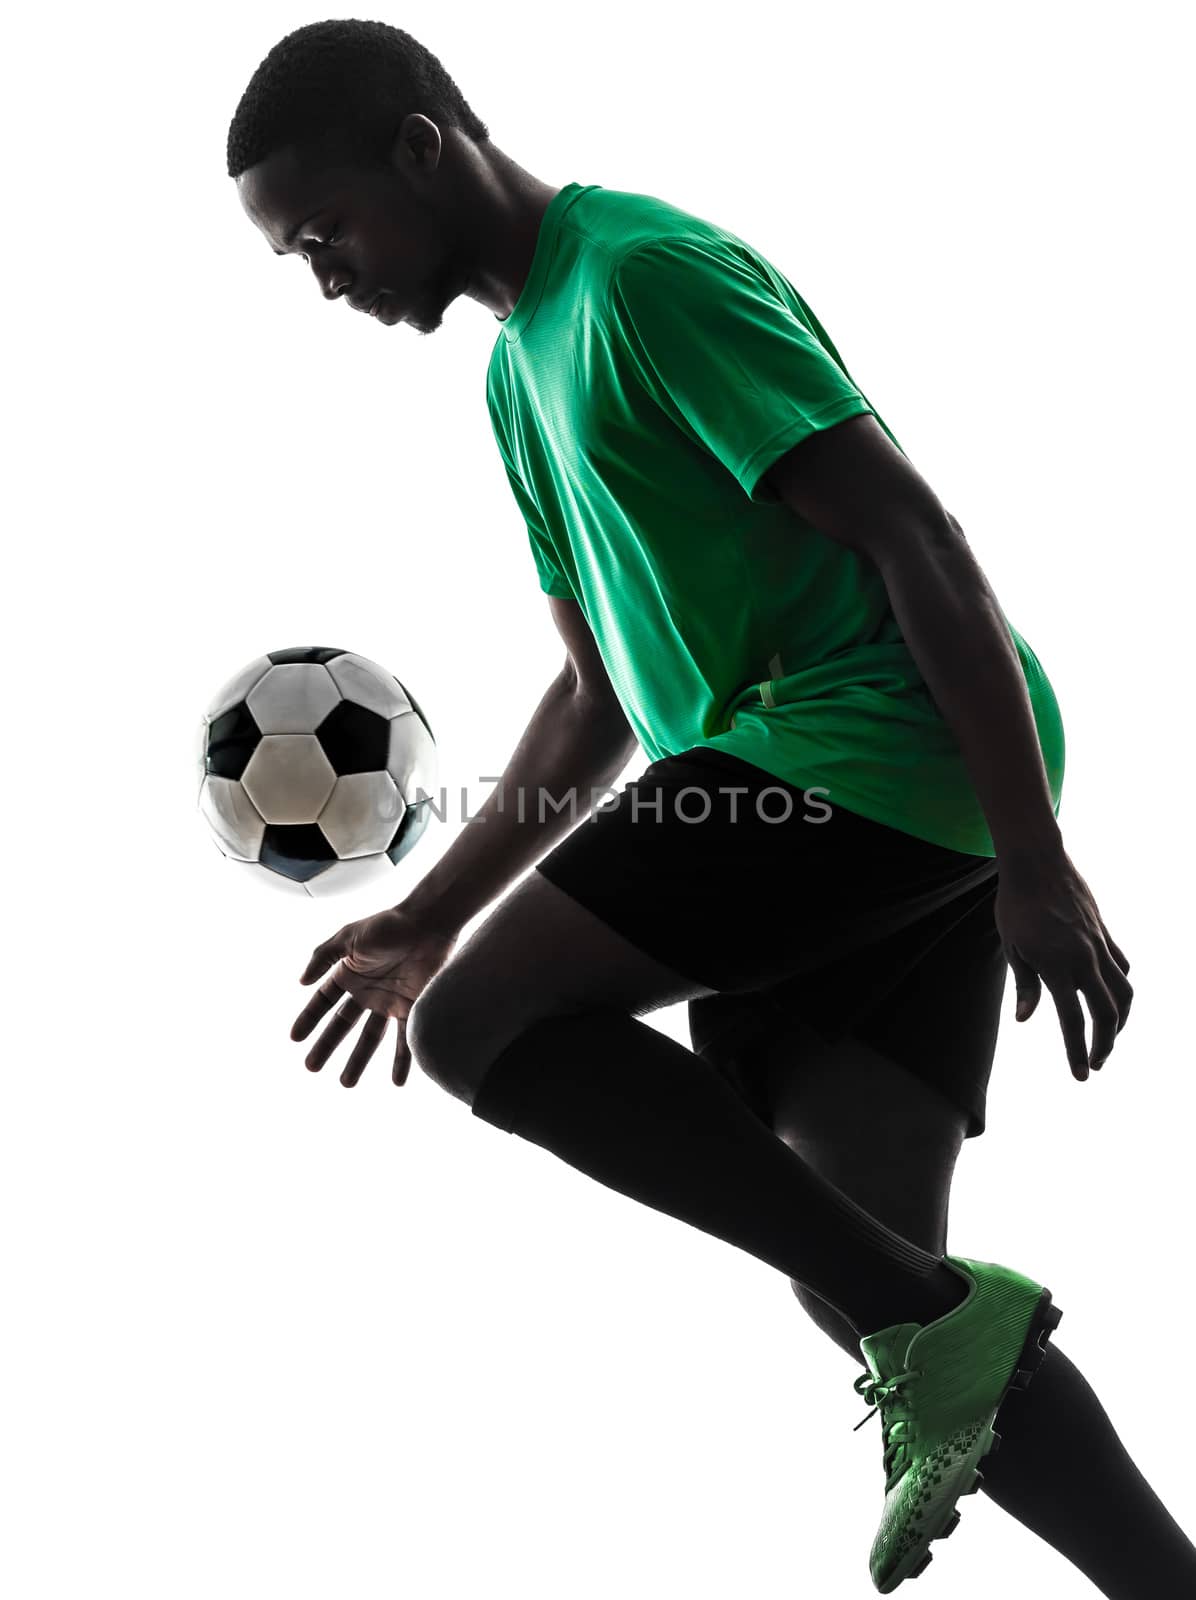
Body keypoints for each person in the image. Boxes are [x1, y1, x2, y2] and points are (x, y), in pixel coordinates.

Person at [227, 20, 1193, 1595]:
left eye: (325, 229)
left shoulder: (641, 280)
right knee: (864, 1271)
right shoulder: (513, 374)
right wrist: (419, 909)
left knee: (480, 1031)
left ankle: (949, 1327)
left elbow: (915, 536)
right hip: (830, 783)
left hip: (880, 748)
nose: (324, 274)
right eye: (295, 257)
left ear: (422, 146)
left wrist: (1036, 854)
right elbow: (598, 696)